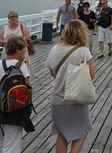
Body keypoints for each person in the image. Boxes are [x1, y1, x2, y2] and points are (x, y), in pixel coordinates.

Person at [46, 20, 96, 153]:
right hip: (76, 99)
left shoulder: (55, 49)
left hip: (58, 99)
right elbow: (91, 75)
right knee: (83, 130)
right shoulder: (84, 51)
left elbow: (52, 72)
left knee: (61, 133)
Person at [0, 37, 34, 153]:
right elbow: (28, 88)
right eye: (24, 51)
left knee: (1, 143)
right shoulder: (22, 66)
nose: (25, 53)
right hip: (15, 109)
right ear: (17, 51)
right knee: (12, 146)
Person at [0, 10, 34, 76]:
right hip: (7, 51)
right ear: (8, 18)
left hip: (20, 51)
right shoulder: (4, 28)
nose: (12, 18)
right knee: (7, 68)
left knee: (22, 68)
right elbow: (0, 40)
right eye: (10, 17)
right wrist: (9, 42)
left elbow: (27, 37)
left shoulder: (22, 26)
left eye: (14, 16)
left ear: (17, 17)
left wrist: (15, 42)